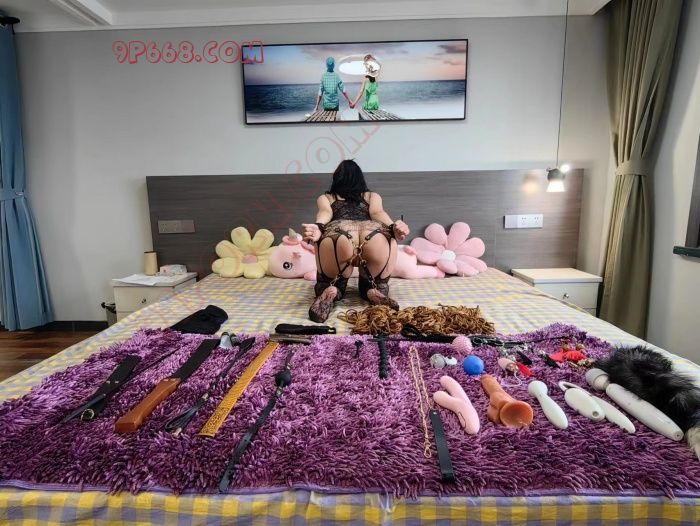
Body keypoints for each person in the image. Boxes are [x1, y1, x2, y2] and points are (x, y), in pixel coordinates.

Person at [302, 160, 410, 323]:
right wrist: (393, 227)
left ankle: (331, 289)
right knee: (375, 282)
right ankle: (372, 290)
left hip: (339, 234)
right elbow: (377, 213)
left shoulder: (327, 198)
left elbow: (325, 213)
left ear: (336, 178)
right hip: (373, 234)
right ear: (360, 178)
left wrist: (318, 227)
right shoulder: (372, 196)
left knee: (330, 281)